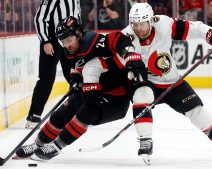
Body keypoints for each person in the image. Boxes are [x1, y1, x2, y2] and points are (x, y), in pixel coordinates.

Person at [122, 2, 212, 164]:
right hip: (146, 82)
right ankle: (145, 140)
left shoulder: (163, 24)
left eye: (142, 24)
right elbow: (115, 56)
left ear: (151, 20)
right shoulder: (126, 36)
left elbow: (193, 28)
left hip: (172, 82)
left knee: (198, 113)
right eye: (135, 24)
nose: (138, 28)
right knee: (141, 96)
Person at [13, 16, 154, 161]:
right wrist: (75, 79)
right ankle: (37, 144)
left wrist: (130, 55)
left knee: (87, 111)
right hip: (94, 91)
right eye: (63, 42)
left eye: (69, 40)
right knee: (61, 113)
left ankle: (57, 146)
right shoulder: (71, 51)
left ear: (79, 34)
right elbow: (77, 67)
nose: (66, 45)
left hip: (116, 98)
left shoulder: (96, 42)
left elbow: (119, 38)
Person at [25, 0, 81, 128]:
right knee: (47, 77)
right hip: (53, 41)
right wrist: (45, 41)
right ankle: (34, 115)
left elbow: (77, 16)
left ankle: (76, 113)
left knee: (75, 77)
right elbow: (40, 18)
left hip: (71, 40)